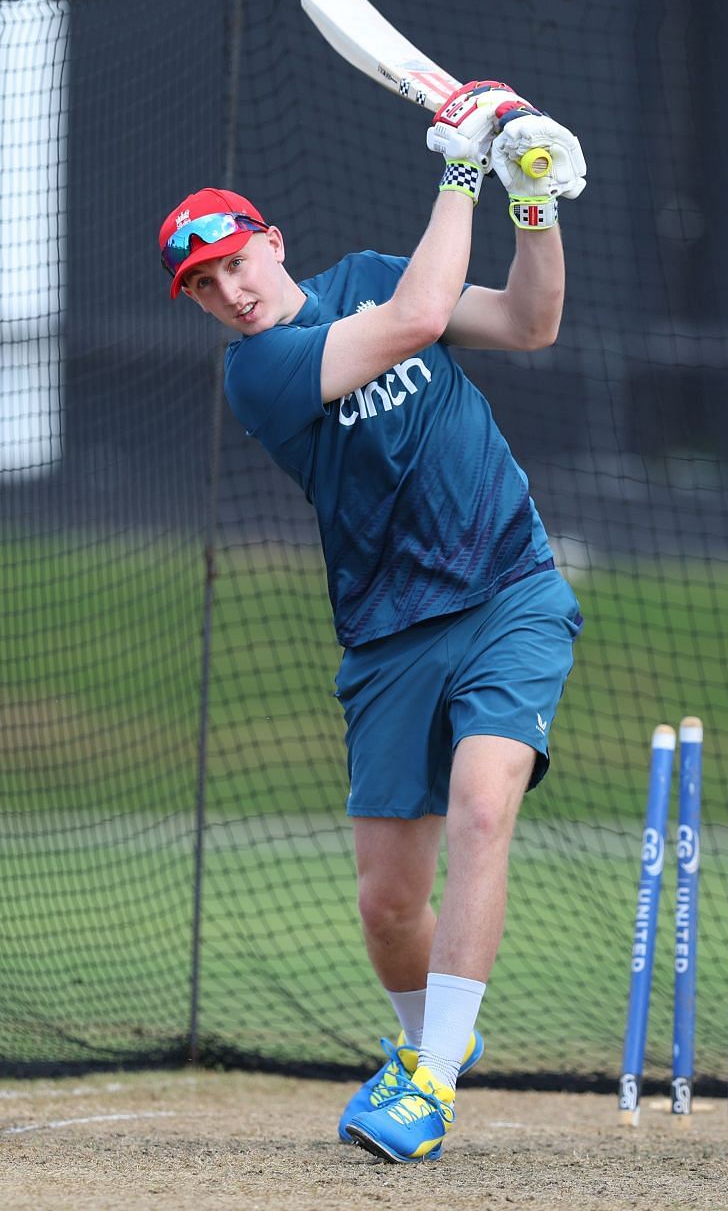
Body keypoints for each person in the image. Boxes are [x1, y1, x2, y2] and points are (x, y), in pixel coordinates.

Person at [158, 82, 587, 1164]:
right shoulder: (257, 374)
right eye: (205, 286)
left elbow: (530, 323)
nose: (232, 291)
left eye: (237, 262)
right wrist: (460, 168)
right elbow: (417, 323)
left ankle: (432, 1080)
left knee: (484, 805)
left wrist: (529, 200)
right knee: (389, 902)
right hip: (390, 637)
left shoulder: (373, 274)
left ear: (273, 241)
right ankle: (421, 1046)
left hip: (507, 590)